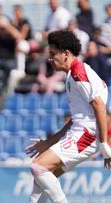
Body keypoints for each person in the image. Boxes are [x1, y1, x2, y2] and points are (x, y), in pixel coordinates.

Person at [26, 30, 111, 203]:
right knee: (43, 178)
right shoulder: (73, 75)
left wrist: (104, 144)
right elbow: (78, 117)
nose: (49, 58)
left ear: (65, 54)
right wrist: (50, 142)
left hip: (86, 135)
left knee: (38, 167)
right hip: (80, 133)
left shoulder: (79, 74)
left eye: (52, 54)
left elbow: (99, 106)